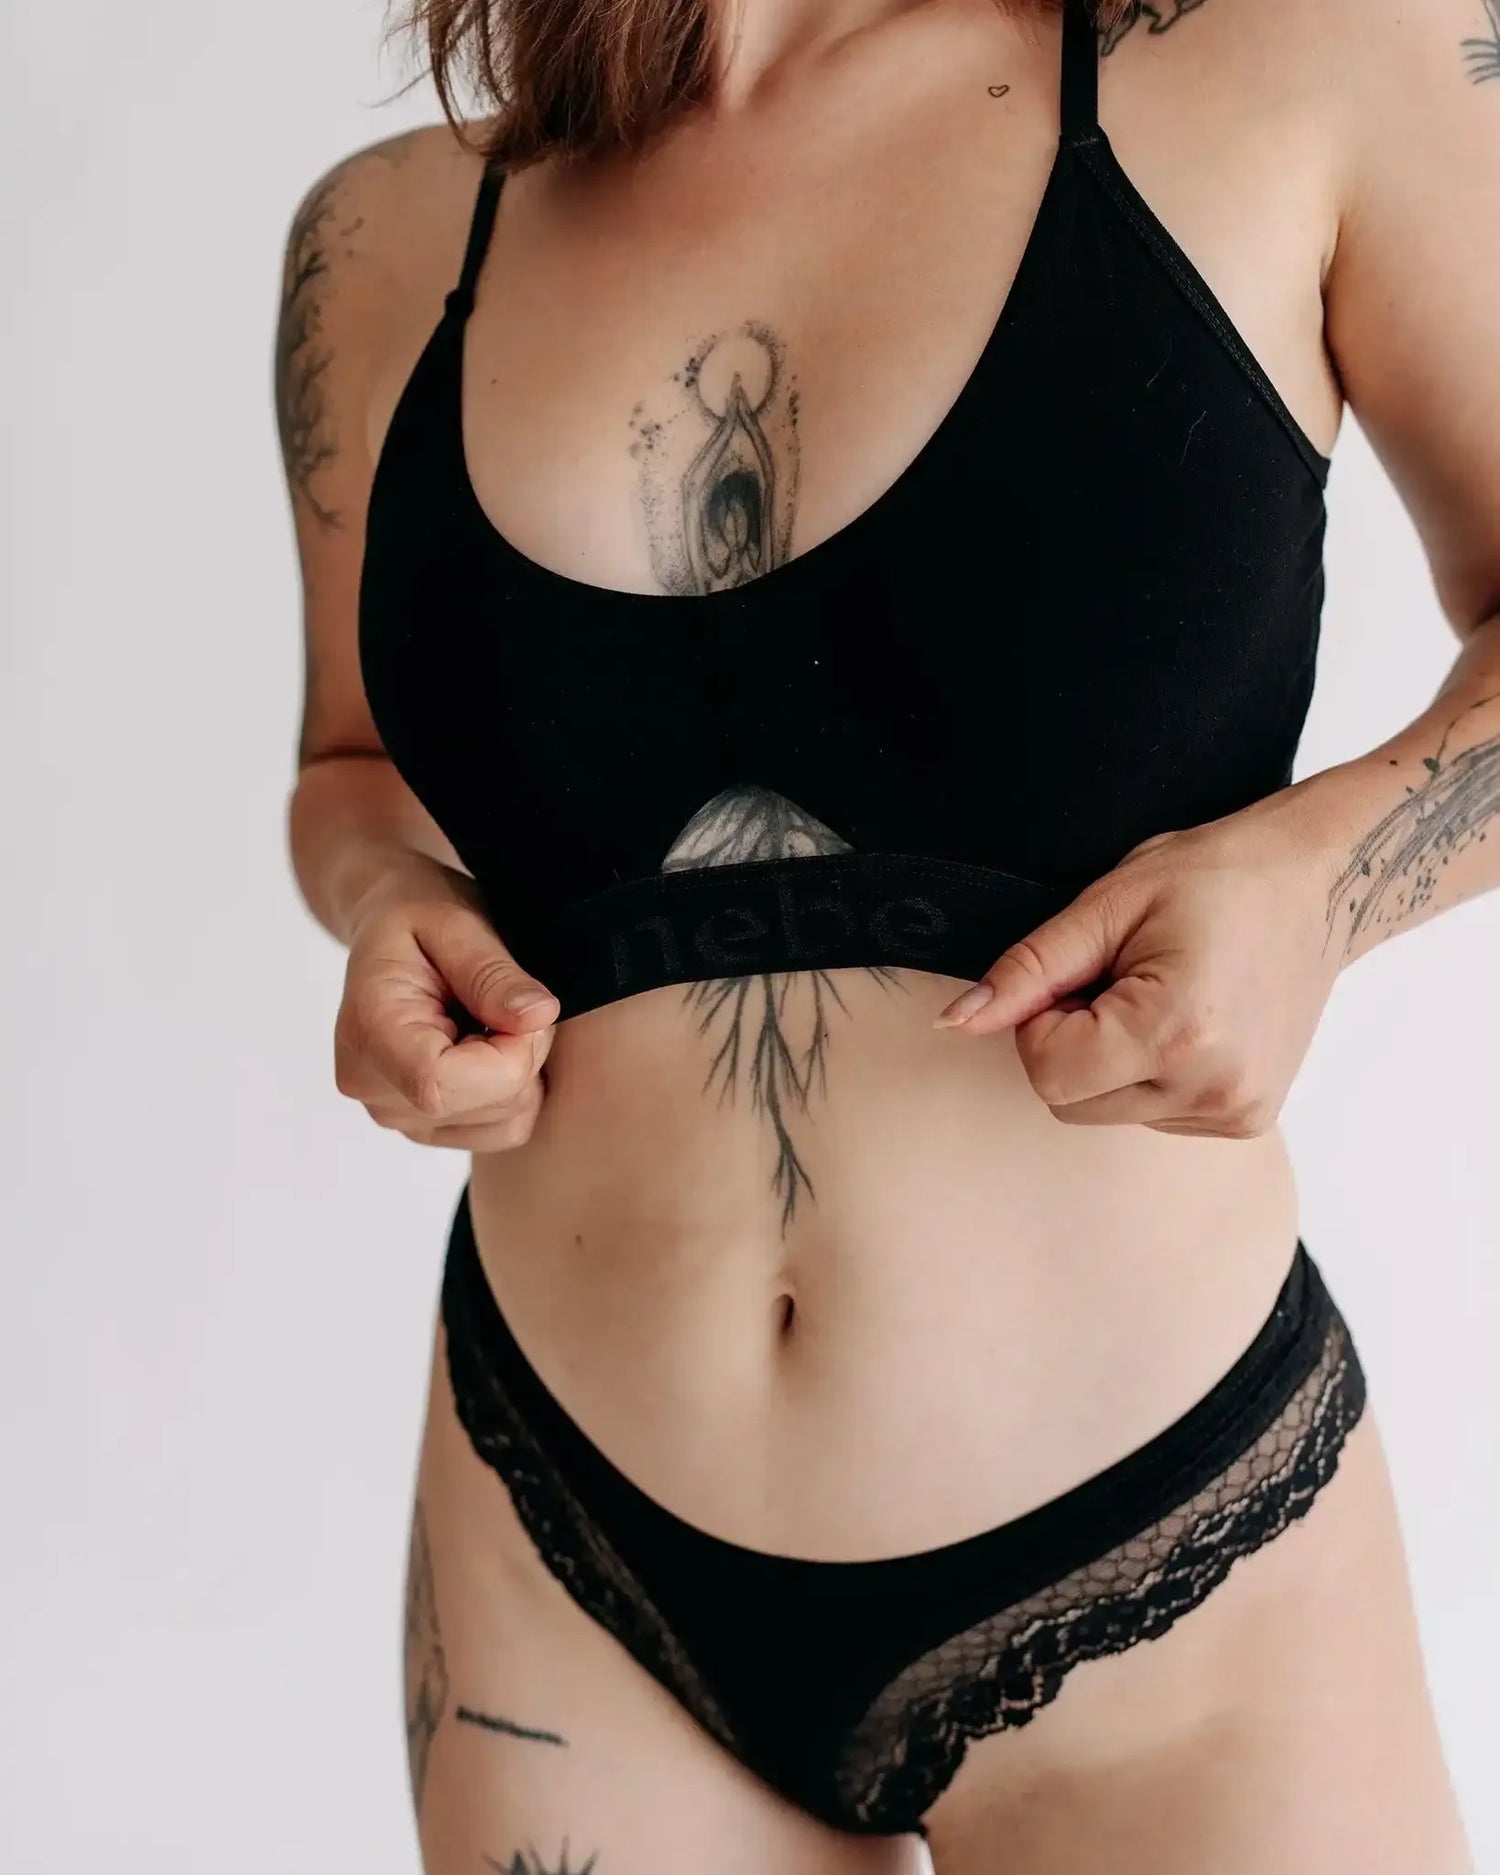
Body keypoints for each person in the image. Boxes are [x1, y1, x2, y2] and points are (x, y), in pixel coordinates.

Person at [279, 0, 1498, 1863]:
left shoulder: (1316, 52)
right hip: (563, 1555)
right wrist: (389, 904)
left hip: (1163, 1571)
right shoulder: (388, 235)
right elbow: (352, 768)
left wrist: (1323, 885)